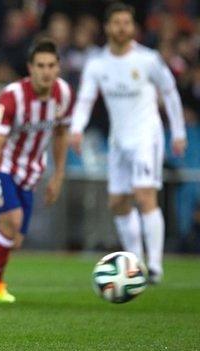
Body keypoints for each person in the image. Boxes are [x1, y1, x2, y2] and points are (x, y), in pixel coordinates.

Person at [69, 2, 187, 284]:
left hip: (146, 135)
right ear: (108, 27)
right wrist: (76, 128)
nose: (122, 28)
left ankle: (155, 266)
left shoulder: (147, 59)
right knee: (118, 202)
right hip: (119, 139)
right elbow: (85, 98)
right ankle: (135, 263)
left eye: (127, 23)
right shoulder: (97, 63)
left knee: (145, 196)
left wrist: (179, 131)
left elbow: (169, 92)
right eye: (117, 23)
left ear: (133, 27)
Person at [0, 38, 74, 303]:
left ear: (58, 68)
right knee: (13, 221)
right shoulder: (12, 97)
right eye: (40, 65)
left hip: (30, 171)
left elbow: (62, 134)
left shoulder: (63, 94)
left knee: (13, 239)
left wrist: (58, 174)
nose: (46, 71)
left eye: (51, 65)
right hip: (0, 165)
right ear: (30, 68)